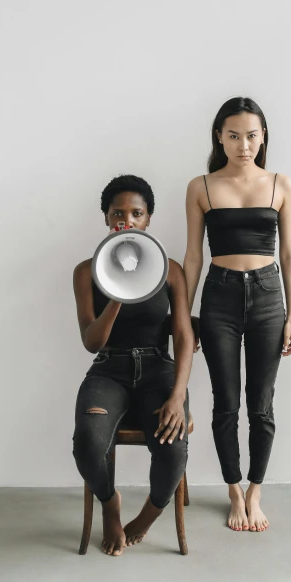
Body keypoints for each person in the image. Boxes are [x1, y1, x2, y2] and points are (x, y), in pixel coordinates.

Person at [183, 97, 291, 532]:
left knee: (261, 405)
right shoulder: (202, 186)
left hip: (268, 296)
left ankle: (255, 490)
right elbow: (193, 257)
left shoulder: (280, 184)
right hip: (220, 296)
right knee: (226, 403)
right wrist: (186, 316)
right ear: (219, 137)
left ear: (263, 135)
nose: (243, 144)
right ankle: (233, 490)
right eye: (234, 136)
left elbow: (288, 254)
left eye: (251, 135)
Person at [72, 174, 194, 556]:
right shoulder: (86, 271)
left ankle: (150, 514)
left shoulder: (170, 269)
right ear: (107, 219)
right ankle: (111, 503)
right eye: (118, 213)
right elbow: (92, 342)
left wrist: (177, 396)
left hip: (159, 369)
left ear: (148, 219)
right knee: (89, 445)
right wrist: (118, 291)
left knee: (173, 448)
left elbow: (185, 337)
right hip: (110, 369)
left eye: (136, 213)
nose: (127, 219)